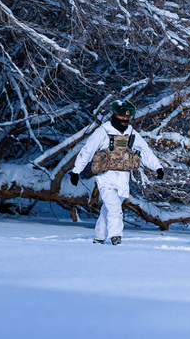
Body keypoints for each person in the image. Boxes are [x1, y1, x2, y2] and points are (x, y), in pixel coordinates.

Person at [69, 100, 164, 245]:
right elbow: (87, 151)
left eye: (127, 119)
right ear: (115, 115)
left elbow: (145, 151)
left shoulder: (131, 133)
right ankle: (116, 238)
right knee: (115, 209)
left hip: (123, 179)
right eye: (122, 118)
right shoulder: (103, 131)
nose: (125, 121)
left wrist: (157, 167)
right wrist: (76, 171)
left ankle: (99, 238)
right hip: (105, 177)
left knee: (107, 210)